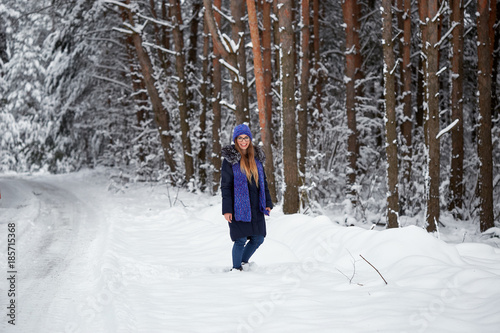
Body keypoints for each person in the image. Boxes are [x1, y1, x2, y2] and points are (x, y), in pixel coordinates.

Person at [221, 124, 273, 271]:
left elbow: (263, 183)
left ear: (250, 139)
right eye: (240, 138)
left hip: (256, 205)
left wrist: (267, 202)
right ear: (235, 140)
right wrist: (227, 210)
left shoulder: (256, 158)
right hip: (238, 207)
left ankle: (243, 262)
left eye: (246, 138)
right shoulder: (230, 160)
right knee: (240, 239)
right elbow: (226, 186)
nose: (243, 141)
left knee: (258, 238)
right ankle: (236, 270)